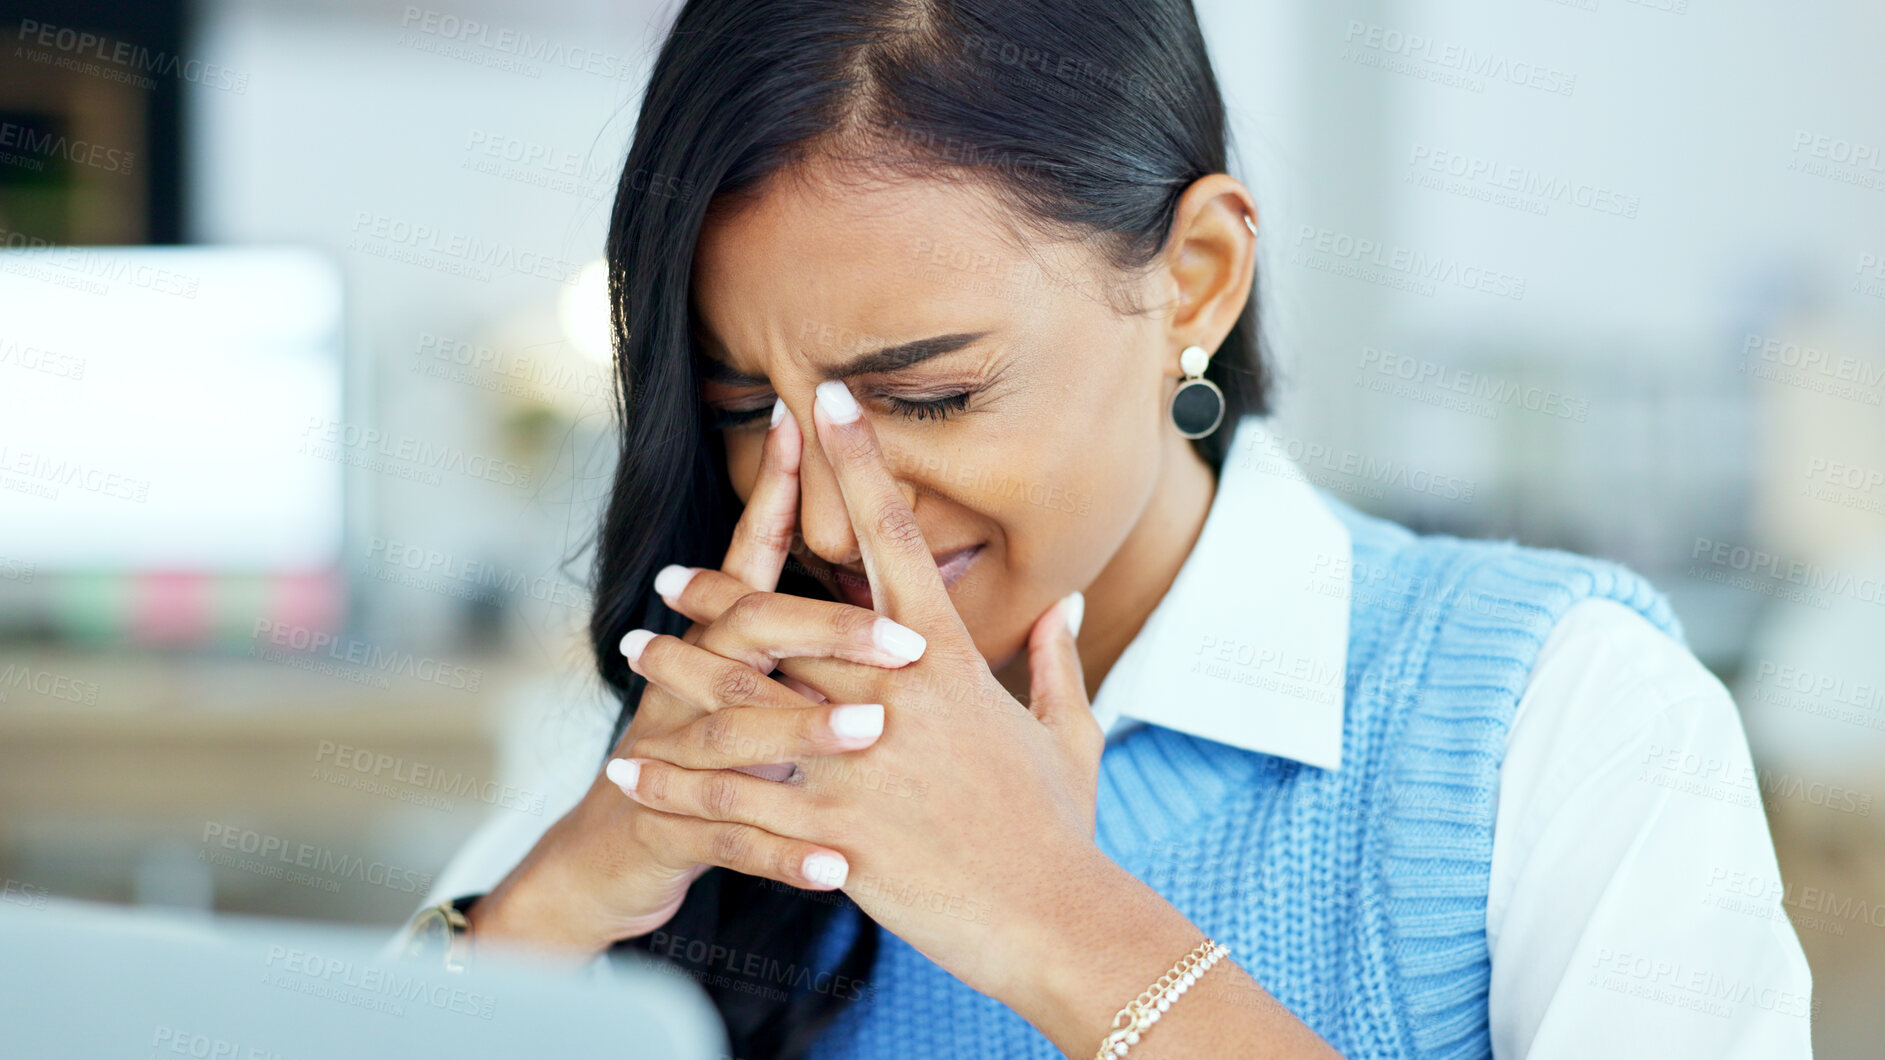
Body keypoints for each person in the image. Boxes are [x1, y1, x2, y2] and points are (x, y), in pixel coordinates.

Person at [398, 0, 1815, 1057]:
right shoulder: (717, 747)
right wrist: (546, 914)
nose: (828, 507)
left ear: (1194, 281)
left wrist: (1051, 915)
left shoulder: (1554, 710)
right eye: (743, 404)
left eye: (935, 395)